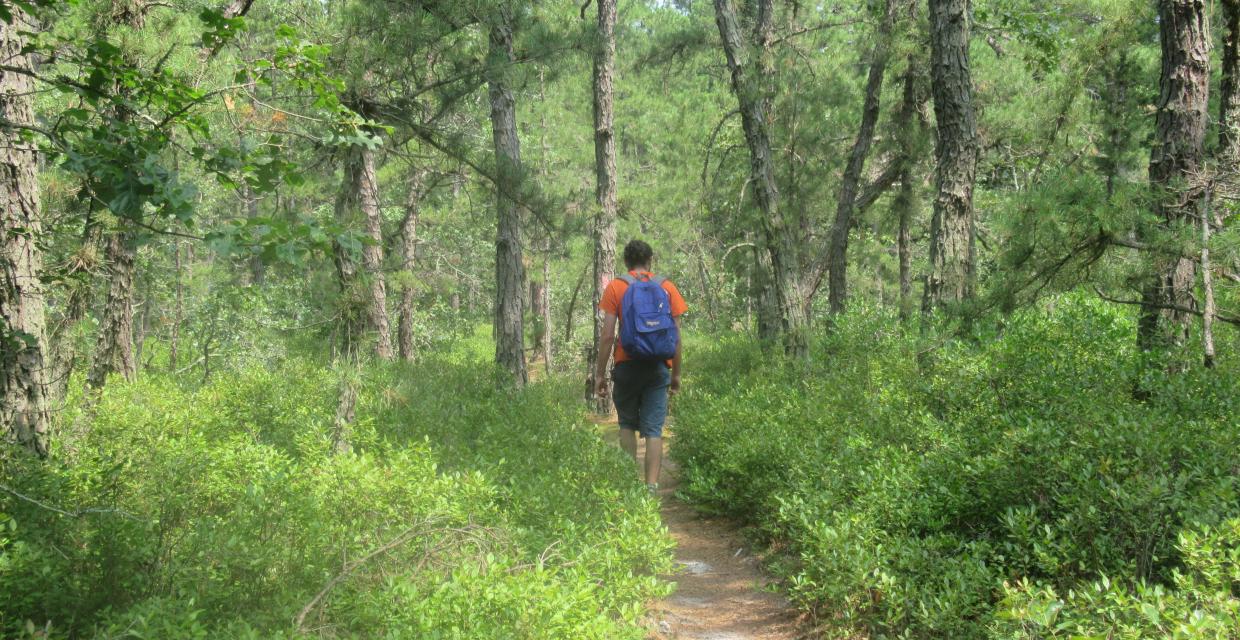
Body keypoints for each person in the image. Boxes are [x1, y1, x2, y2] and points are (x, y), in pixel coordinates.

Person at [594, 240, 687, 493]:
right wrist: (676, 374)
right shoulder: (667, 287)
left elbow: (607, 336)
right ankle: (650, 488)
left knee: (626, 424)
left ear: (626, 262)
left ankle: (627, 486)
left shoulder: (616, 287)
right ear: (650, 261)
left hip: (626, 366)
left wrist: (599, 375)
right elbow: (676, 337)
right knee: (654, 429)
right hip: (658, 368)